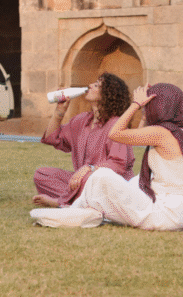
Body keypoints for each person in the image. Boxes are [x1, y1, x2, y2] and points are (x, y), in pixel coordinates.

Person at [34, 83, 183, 230]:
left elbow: (115, 134)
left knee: (100, 176)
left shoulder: (161, 133)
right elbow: (138, 134)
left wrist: (135, 104)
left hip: (169, 214)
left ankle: (70, 208)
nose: (147, 108)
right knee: (131, 181)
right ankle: (89, 209)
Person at [33, 72, 134, 208]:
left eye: (97, 85)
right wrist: (59, 112)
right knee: (42, 174)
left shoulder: (117, 124)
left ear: (108, 94)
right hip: (82, 183)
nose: (90, 85)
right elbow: (53, 138)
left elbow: (118, 165)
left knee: (88, 179)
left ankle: (62, 202)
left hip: (107, 184)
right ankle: (80, 202)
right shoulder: (82, 120)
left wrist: (89, 169)